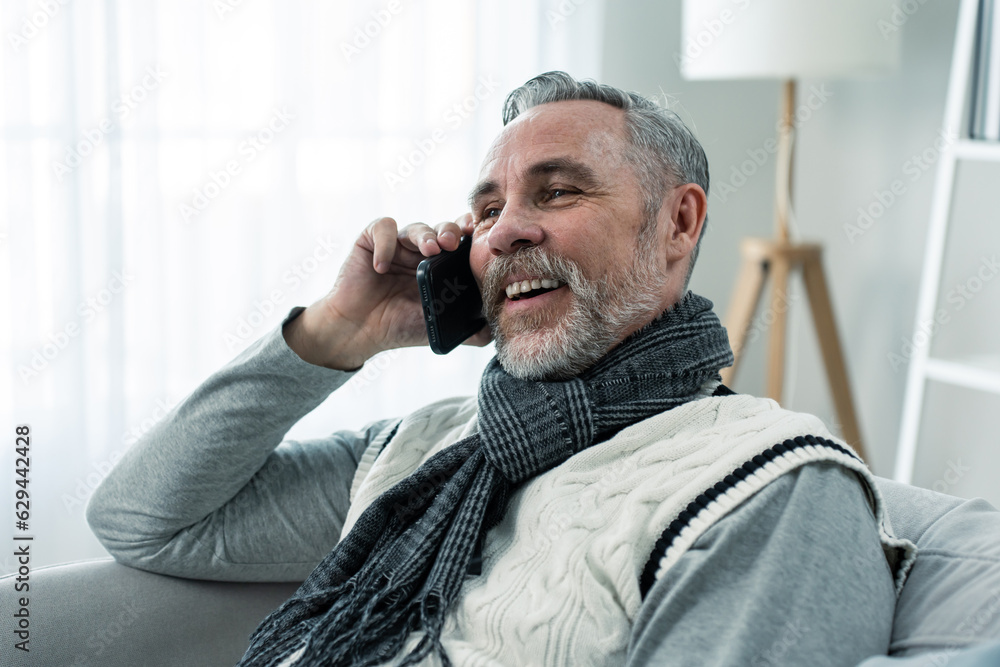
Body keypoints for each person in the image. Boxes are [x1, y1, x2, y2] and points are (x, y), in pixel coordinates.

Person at [87, 71, 913, 666]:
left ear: (678, 222)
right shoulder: (422, 453)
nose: (506, 230)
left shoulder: (766, 486)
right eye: (486, 209)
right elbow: (145, 519)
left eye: (557, 192)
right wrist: (336, 332)